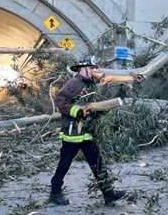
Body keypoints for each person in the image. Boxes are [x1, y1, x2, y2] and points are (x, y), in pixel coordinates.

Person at [49, 56, 134, 206]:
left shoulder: (92, 85)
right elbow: (60, 102)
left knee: (97, 162)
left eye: (95, 68)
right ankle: (55, 192)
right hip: (73, 134)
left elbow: (95, 104)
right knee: (65, 163)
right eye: (92, 68)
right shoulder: (74, 83)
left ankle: (108, 193)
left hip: (87, 132)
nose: (95, 71)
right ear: (83, 69)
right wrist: (78, 111)